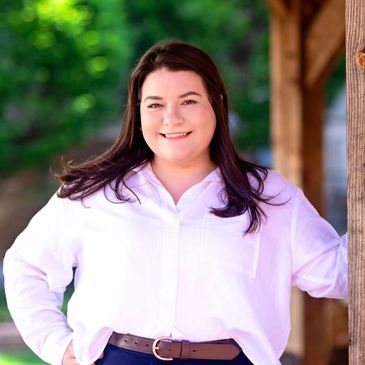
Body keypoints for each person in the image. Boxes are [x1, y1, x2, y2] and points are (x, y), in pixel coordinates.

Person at [3, 40, 347, 365]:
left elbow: (338, 272)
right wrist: (57, 345)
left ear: (217, 103)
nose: (172, 118)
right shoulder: (94, 192)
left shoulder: (270, 196)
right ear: (137, 111)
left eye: (189, 101)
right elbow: (26, 266)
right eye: (155, 104)